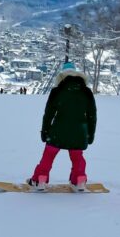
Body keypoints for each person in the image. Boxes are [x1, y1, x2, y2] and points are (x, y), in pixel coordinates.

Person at [28, 61, 97, 190]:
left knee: (48, 155)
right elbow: (92, 116)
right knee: (77, 157)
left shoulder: (57, 91)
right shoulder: (87, 92)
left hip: (58, 131)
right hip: (79, 132)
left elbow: (48, 114)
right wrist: (90, 134)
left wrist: (44, 131)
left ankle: (40, 180)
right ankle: (79, 180)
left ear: (61, 75)